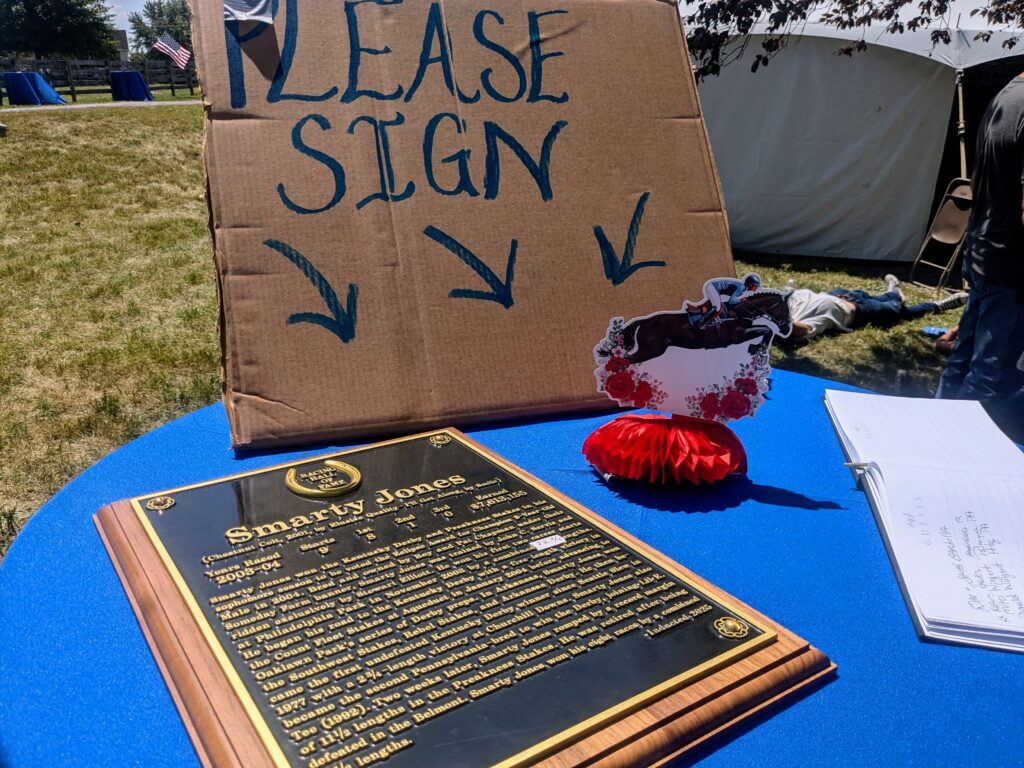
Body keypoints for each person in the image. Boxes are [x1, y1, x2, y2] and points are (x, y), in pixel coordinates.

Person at [937, 74, 1024, 402]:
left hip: (985, 250)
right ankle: (962, 433)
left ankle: (932, 427)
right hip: (1010, 266)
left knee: (963, 361)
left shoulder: (1007, 96)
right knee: (990, 377)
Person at [785, 274, 967, 341]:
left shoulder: (777, 303)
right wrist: (777, 322)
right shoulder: (790, 325)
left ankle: (893, 292)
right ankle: (937, 306)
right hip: (858, 312)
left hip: (838, 294)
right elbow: (802, 330)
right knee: (899, 310)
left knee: (873, 297)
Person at [686, 274, 761, 328]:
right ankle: (701, 321)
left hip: (713, 288)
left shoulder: (742, 287)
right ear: (750, 284)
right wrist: (740, 300)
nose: (756, 288)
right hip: (713, 287)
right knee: (718, 309)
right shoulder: (741, 287)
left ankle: (697, 312)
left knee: (717, 306)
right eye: (756, 286)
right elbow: (731, 301)